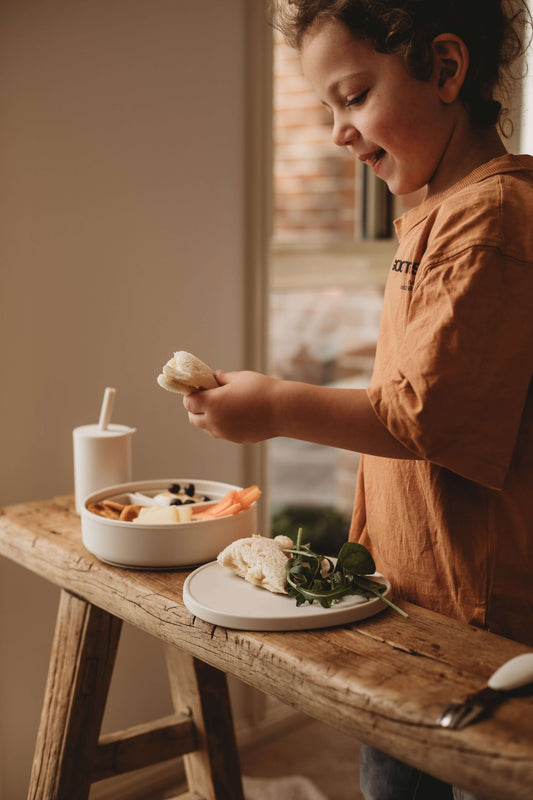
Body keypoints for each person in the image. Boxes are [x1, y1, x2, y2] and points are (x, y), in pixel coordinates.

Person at [183, 2, 533, 796]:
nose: (338, 130)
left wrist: (275, 407)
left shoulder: (489, 218)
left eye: (352, 96)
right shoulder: (431, 216)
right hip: (413, 599)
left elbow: (421, 416)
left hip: (475, 622)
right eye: (326, 109)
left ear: (446, 71)